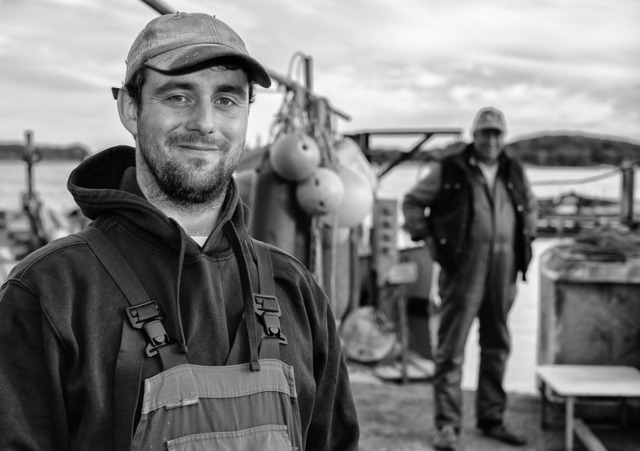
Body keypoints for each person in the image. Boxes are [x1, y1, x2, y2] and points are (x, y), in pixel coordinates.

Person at [0, 12, 359, 450]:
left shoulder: (295, 290)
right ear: (130, 108)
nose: (205, 122)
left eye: (226, 99)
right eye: (178, 96)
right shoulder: (50, 292)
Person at [402, 107, 536, 450]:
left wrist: (529, 236)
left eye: (496, 134)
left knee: (497, 346)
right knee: (451, 350)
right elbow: (413, 202)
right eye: (485, 133)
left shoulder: (514, 170)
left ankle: (492, 419)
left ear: (503, 137)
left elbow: (530, 207)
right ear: (474, 135)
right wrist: (429, 241)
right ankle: (447, 426)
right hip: (462, 270)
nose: (491, 140)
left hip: (504, 272)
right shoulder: (450, 169)